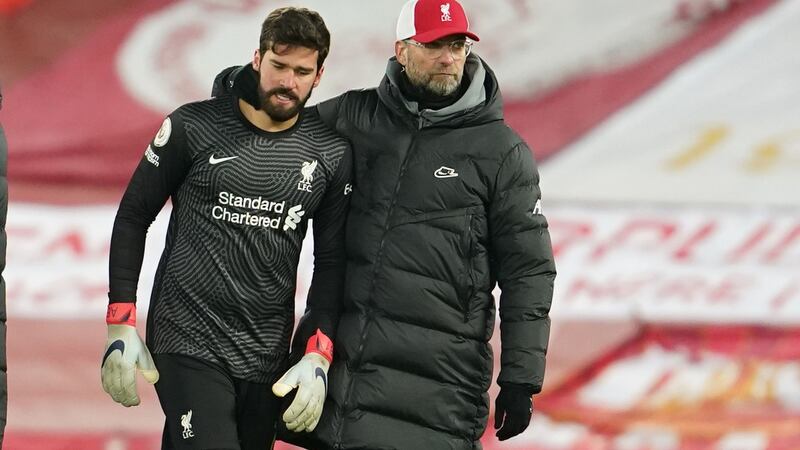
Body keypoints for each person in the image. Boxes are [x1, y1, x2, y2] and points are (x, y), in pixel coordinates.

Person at [217, 0, 556, 447]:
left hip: (437, 399)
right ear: (401, 50)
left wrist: (520, 378)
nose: (448, 57)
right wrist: (239, 91)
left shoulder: (503, 153)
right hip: (337, 391)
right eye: (434, 45)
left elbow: (528, 270)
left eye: (457, 45)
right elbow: (278, 133)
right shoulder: (356, 118)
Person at [100, 7, 351, 450]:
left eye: (301, 71)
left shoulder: (330, 154)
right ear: (257, 58)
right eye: (279, 65)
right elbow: (134, 215)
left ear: (319, 75)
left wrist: (318, 351)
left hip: (265, 355)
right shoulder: (192, 126)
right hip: (185, 338)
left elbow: (331, 261)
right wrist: (120, 320)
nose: (288, 82)